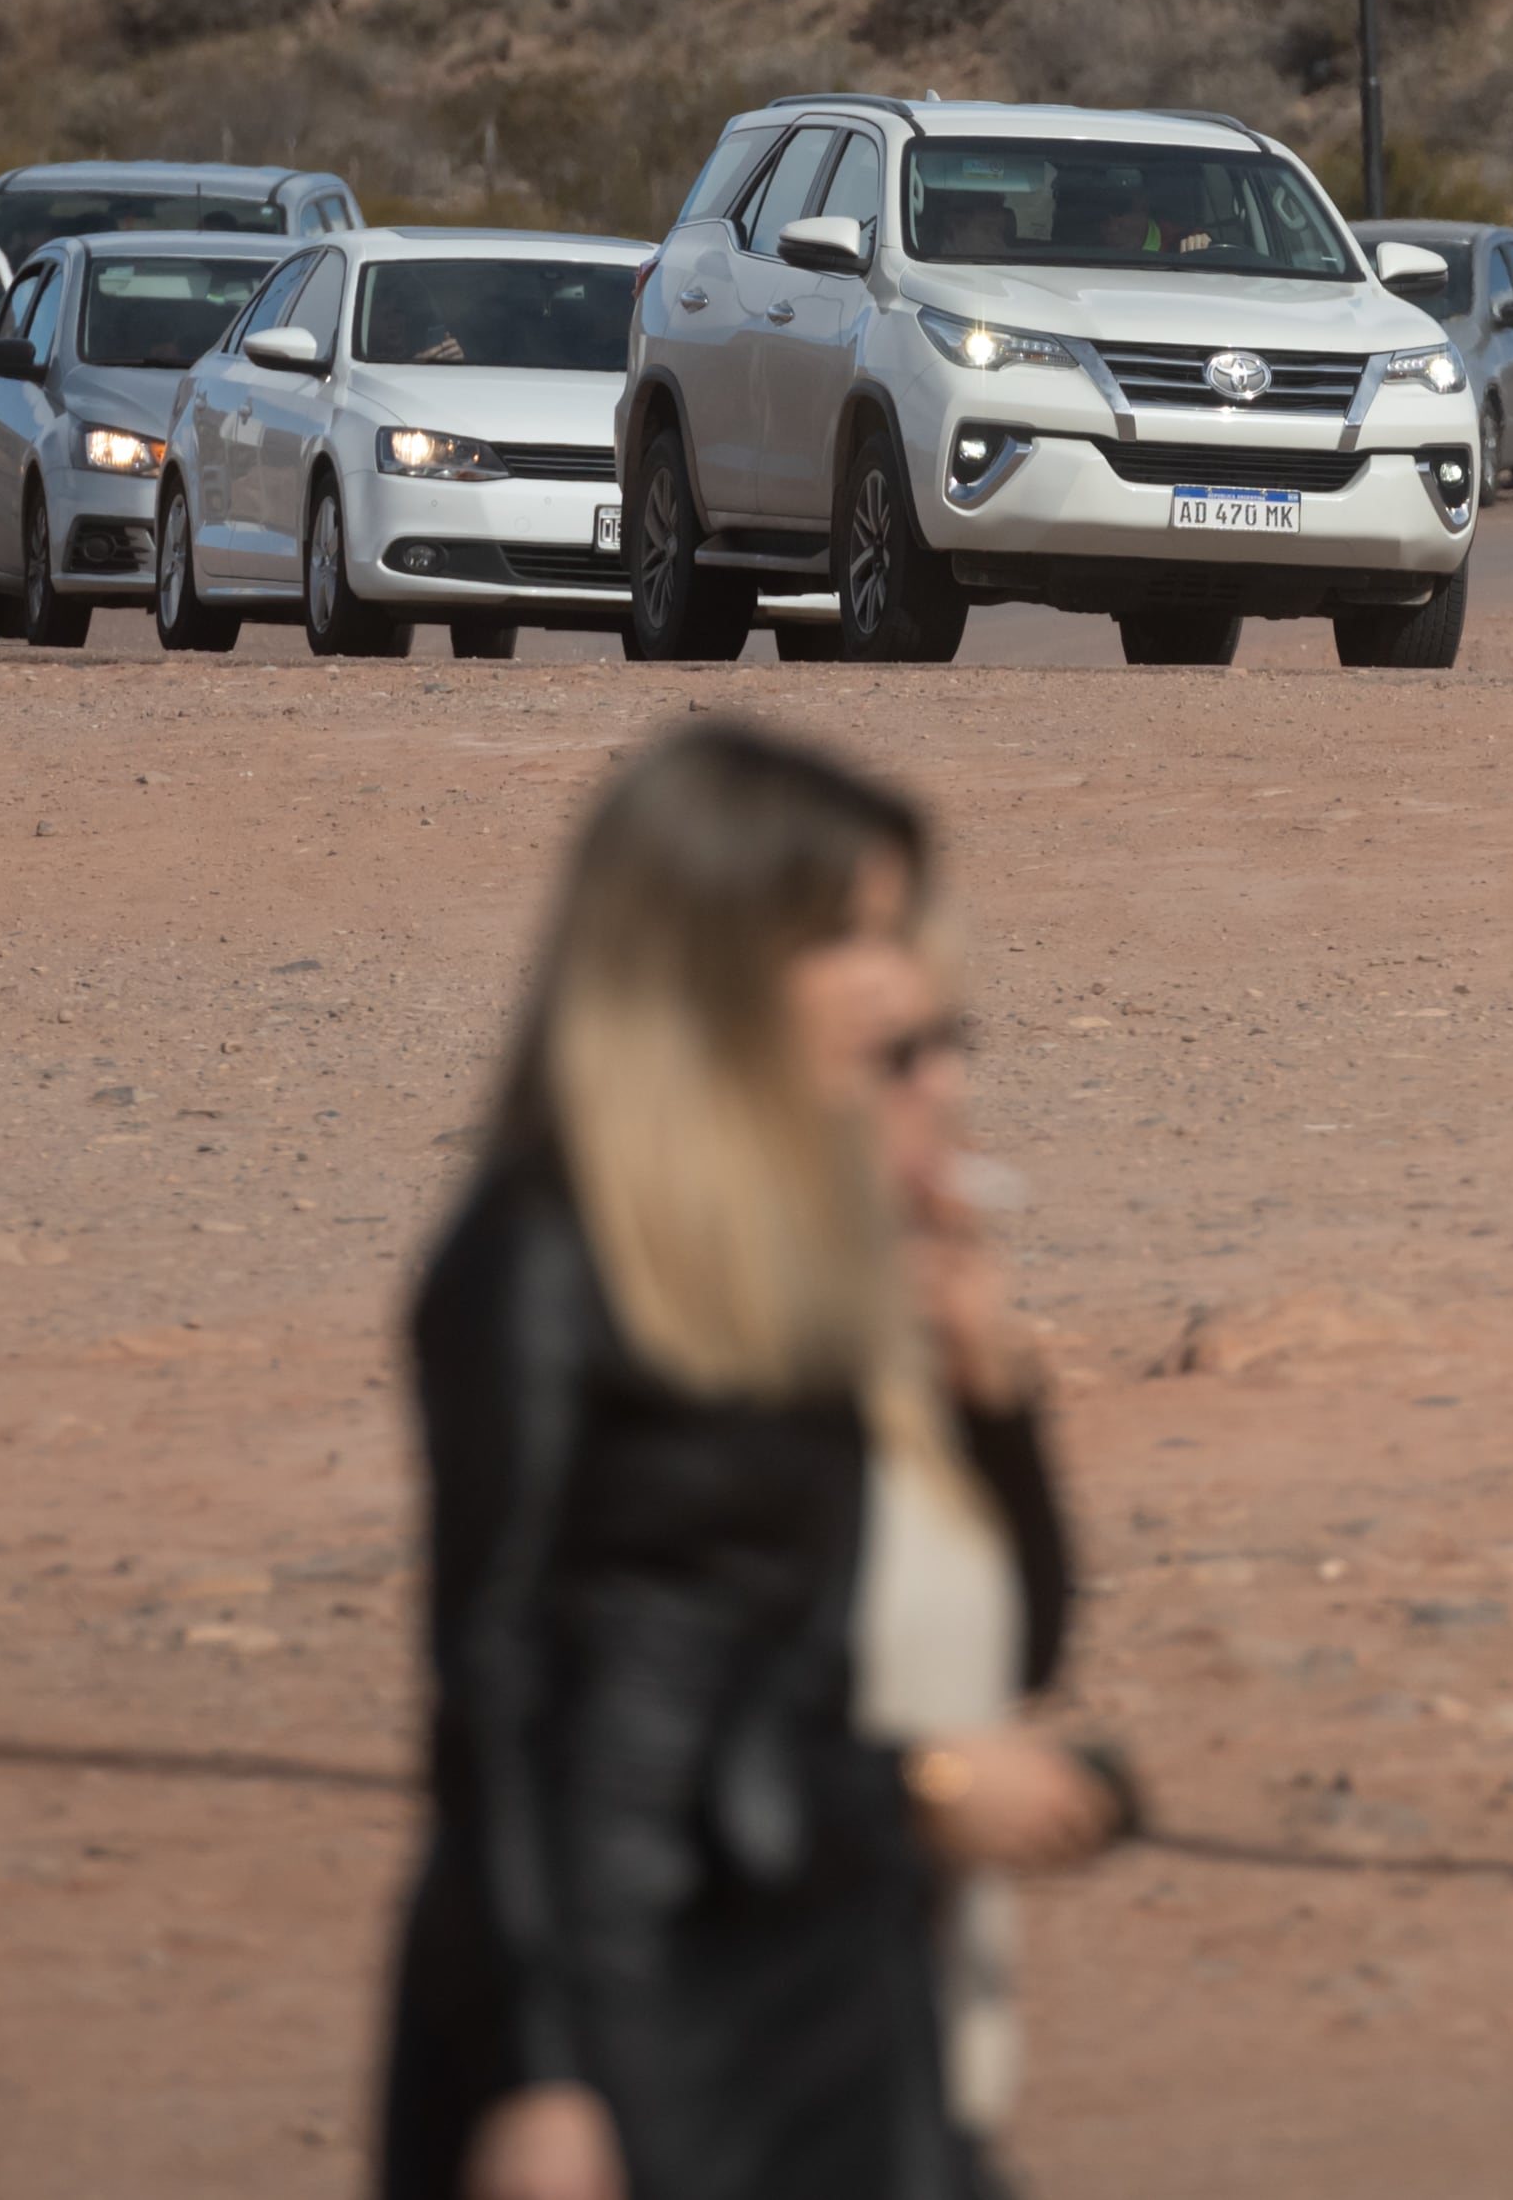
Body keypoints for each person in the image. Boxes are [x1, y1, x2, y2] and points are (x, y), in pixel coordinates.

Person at [383, 728, 1116, 2200]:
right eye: (851, 937)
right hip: (634, 2012)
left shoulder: (812, 1267)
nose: (901, 988)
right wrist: (540, 2071)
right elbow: (504, 1694)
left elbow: (970, 1641)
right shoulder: (537, 1261)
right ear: (711, 962)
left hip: (837, 1984)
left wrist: (994, 1391)